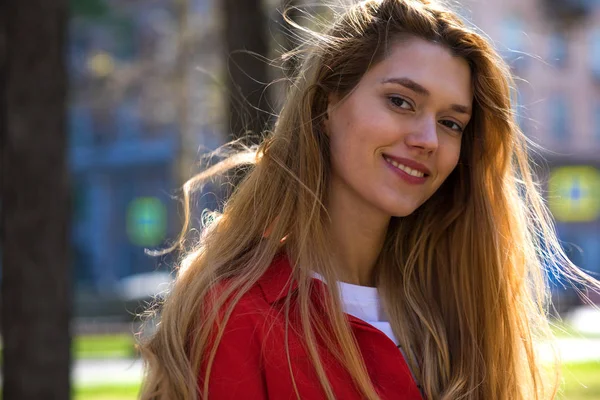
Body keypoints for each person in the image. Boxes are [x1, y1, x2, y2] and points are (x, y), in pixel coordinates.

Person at [139, 0, 598, 399]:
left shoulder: (458, 316)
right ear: (325, 105)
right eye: (401, 101)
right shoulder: (237, 317)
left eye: (451, 123)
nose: (427, 139)